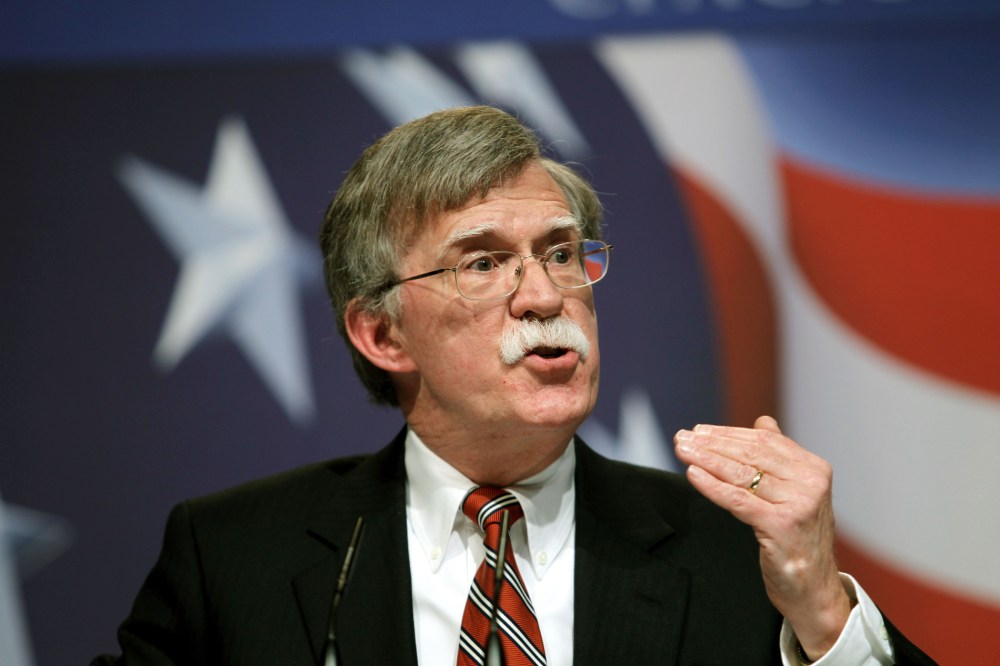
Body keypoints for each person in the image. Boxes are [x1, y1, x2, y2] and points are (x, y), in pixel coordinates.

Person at [92, 106, 934, 665]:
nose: (543, 295)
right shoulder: (236, 557)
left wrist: (822, 612)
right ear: (382, 333)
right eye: (484, 262)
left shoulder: (730, 555)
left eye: (563, 253)